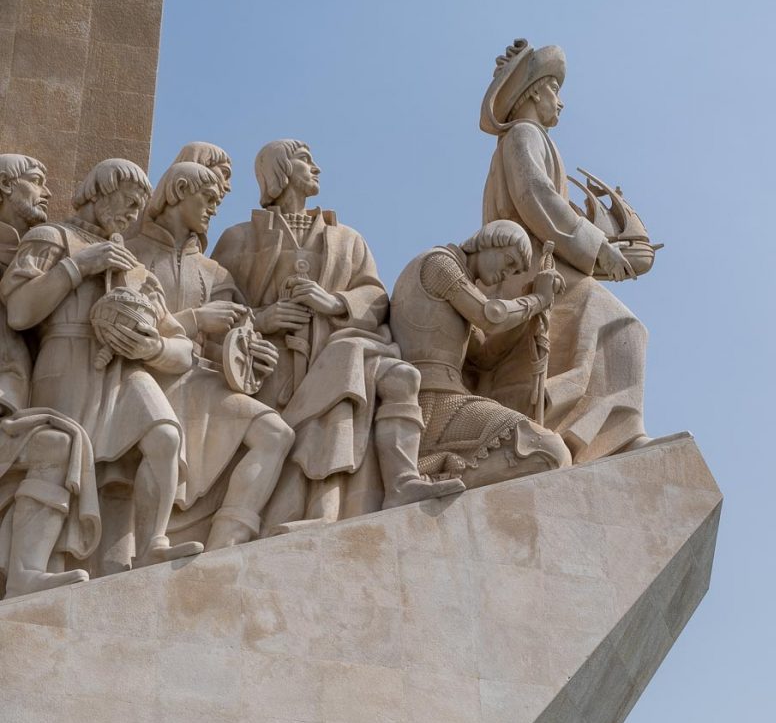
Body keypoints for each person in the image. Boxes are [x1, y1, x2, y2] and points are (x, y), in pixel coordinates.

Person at [212, 140, 462, 531]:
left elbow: (375, 296)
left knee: (399, 376)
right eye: (305, 160)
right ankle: (309, 514)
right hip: (273, 367)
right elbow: (214, 307)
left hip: (338, 348)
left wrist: (334, 302)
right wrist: (263, 318)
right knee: (314, 416)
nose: (317, 168)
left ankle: (401, 481)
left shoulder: (347, 238)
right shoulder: (239, 238)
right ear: (279, 170)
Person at [1, 158, 202, 573]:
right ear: (101, 191)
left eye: (138, 207)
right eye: (128, 201)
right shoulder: (50, 237)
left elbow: (182, 348)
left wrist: (154, 347)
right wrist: (79, 265)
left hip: (127, 367)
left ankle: (153, 544)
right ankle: (38, 568)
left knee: (165, 436)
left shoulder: (135, 266)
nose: (133, 214)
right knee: (69, 461)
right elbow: (20, 312)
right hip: (66, 360)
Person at [479, 39, 657, 463]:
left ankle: (599, 429)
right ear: (534, 92)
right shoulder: (523, 134)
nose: (560, 101)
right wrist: (599, 250)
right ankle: (613, 434)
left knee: (616, 323)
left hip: (549, 263)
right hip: (528, 268)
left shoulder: (534, 139)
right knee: (622, 324)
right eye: (554, 89)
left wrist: (603, 246)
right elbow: (537, 199)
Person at [127, 162, 294, 549]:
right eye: (208, 198)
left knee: (276, 434)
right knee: (162, 441)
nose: (214, 209)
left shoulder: (215, 273)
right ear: (179, 191)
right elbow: (127, 326)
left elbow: (229, 341)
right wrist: (196, 318)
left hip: (199, 380)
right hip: (145, 374)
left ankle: (223, 547)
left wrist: (253, 355)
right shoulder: (131, 255)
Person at [391, 220, 571, 487]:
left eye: (515, 271)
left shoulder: (462, 292)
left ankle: (440, 477)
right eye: (509, 261)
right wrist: (537, 300)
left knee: (550, 454)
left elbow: (485, 356)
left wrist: (531, 309)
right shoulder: (439, 264)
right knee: (548, 450)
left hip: (449, 401)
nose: (507, 274)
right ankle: (435, 479)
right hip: (432, 402)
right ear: (490, 241)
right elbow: (490, 316)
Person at [0, 154, 100, 596]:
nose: (48, 192)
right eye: (36, 180)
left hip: (13, 404)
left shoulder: (32, 250)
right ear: (5, 186)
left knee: (59, 444)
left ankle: (25, 573)